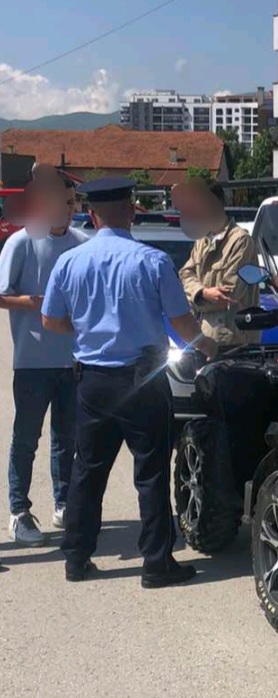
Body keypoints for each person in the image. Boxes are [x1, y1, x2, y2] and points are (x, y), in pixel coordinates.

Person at [41, 177, 215, 586]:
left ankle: (76, 559)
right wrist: (208, 347)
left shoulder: (70, 262)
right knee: (151, 473)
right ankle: (157, 564)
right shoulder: (153, 261)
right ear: (133, 211)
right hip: (143, 380)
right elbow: (182, 324)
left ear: (91, 215)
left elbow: (50, 320)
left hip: (93, 382)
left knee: (87, 471)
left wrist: (86, 330)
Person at [0, 175, 88, 547]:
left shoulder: (83, 244)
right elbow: (1, 294)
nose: (66, 210)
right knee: (26, 439)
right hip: (33, 361)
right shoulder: (21, 242)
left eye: (71, 204)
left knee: (66, 439)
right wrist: (31, 303)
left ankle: (63, 503)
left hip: (72, 361)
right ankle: (18, 511)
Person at [179, 181, 261, 348]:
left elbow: (227, 296)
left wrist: (192, 296)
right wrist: (203, 293)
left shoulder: (240, 241)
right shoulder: (202, 239)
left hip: (231, 342)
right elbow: (185, 274)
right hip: (203, 338)